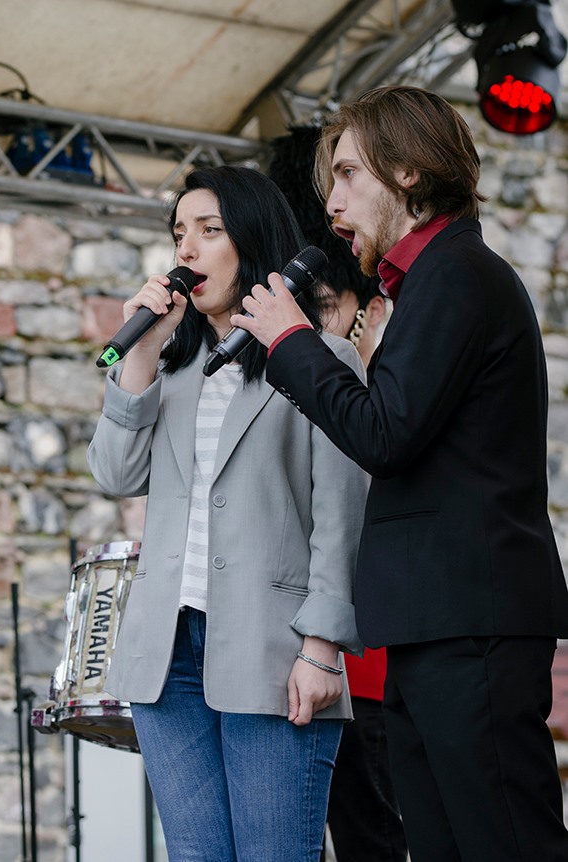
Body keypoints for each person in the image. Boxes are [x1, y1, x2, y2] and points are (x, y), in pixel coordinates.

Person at [234, 84, 568, 861]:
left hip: (469, 620)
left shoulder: (458, 273)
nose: (333, 202)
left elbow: (383, 434)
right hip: (434, 621)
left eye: (349, 174)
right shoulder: (430, 284)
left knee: (505, 844)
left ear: (409, 171)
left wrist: (292, 342)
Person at [87, 165, 369, 862]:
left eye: (209, 231)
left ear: (253, 238)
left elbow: (341, 517)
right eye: (179, 232)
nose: (187, 249)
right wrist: (142, 352)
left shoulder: (322, 358)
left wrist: (322, 648)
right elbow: (115, 474)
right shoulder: (168, 370)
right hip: (167, 656)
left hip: (273, 649)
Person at [268, 126, 405, 862]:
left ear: (368, 308)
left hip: (366, 661)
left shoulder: (386, 386)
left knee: (369, 841)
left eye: (322, 306)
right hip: (281, 651)